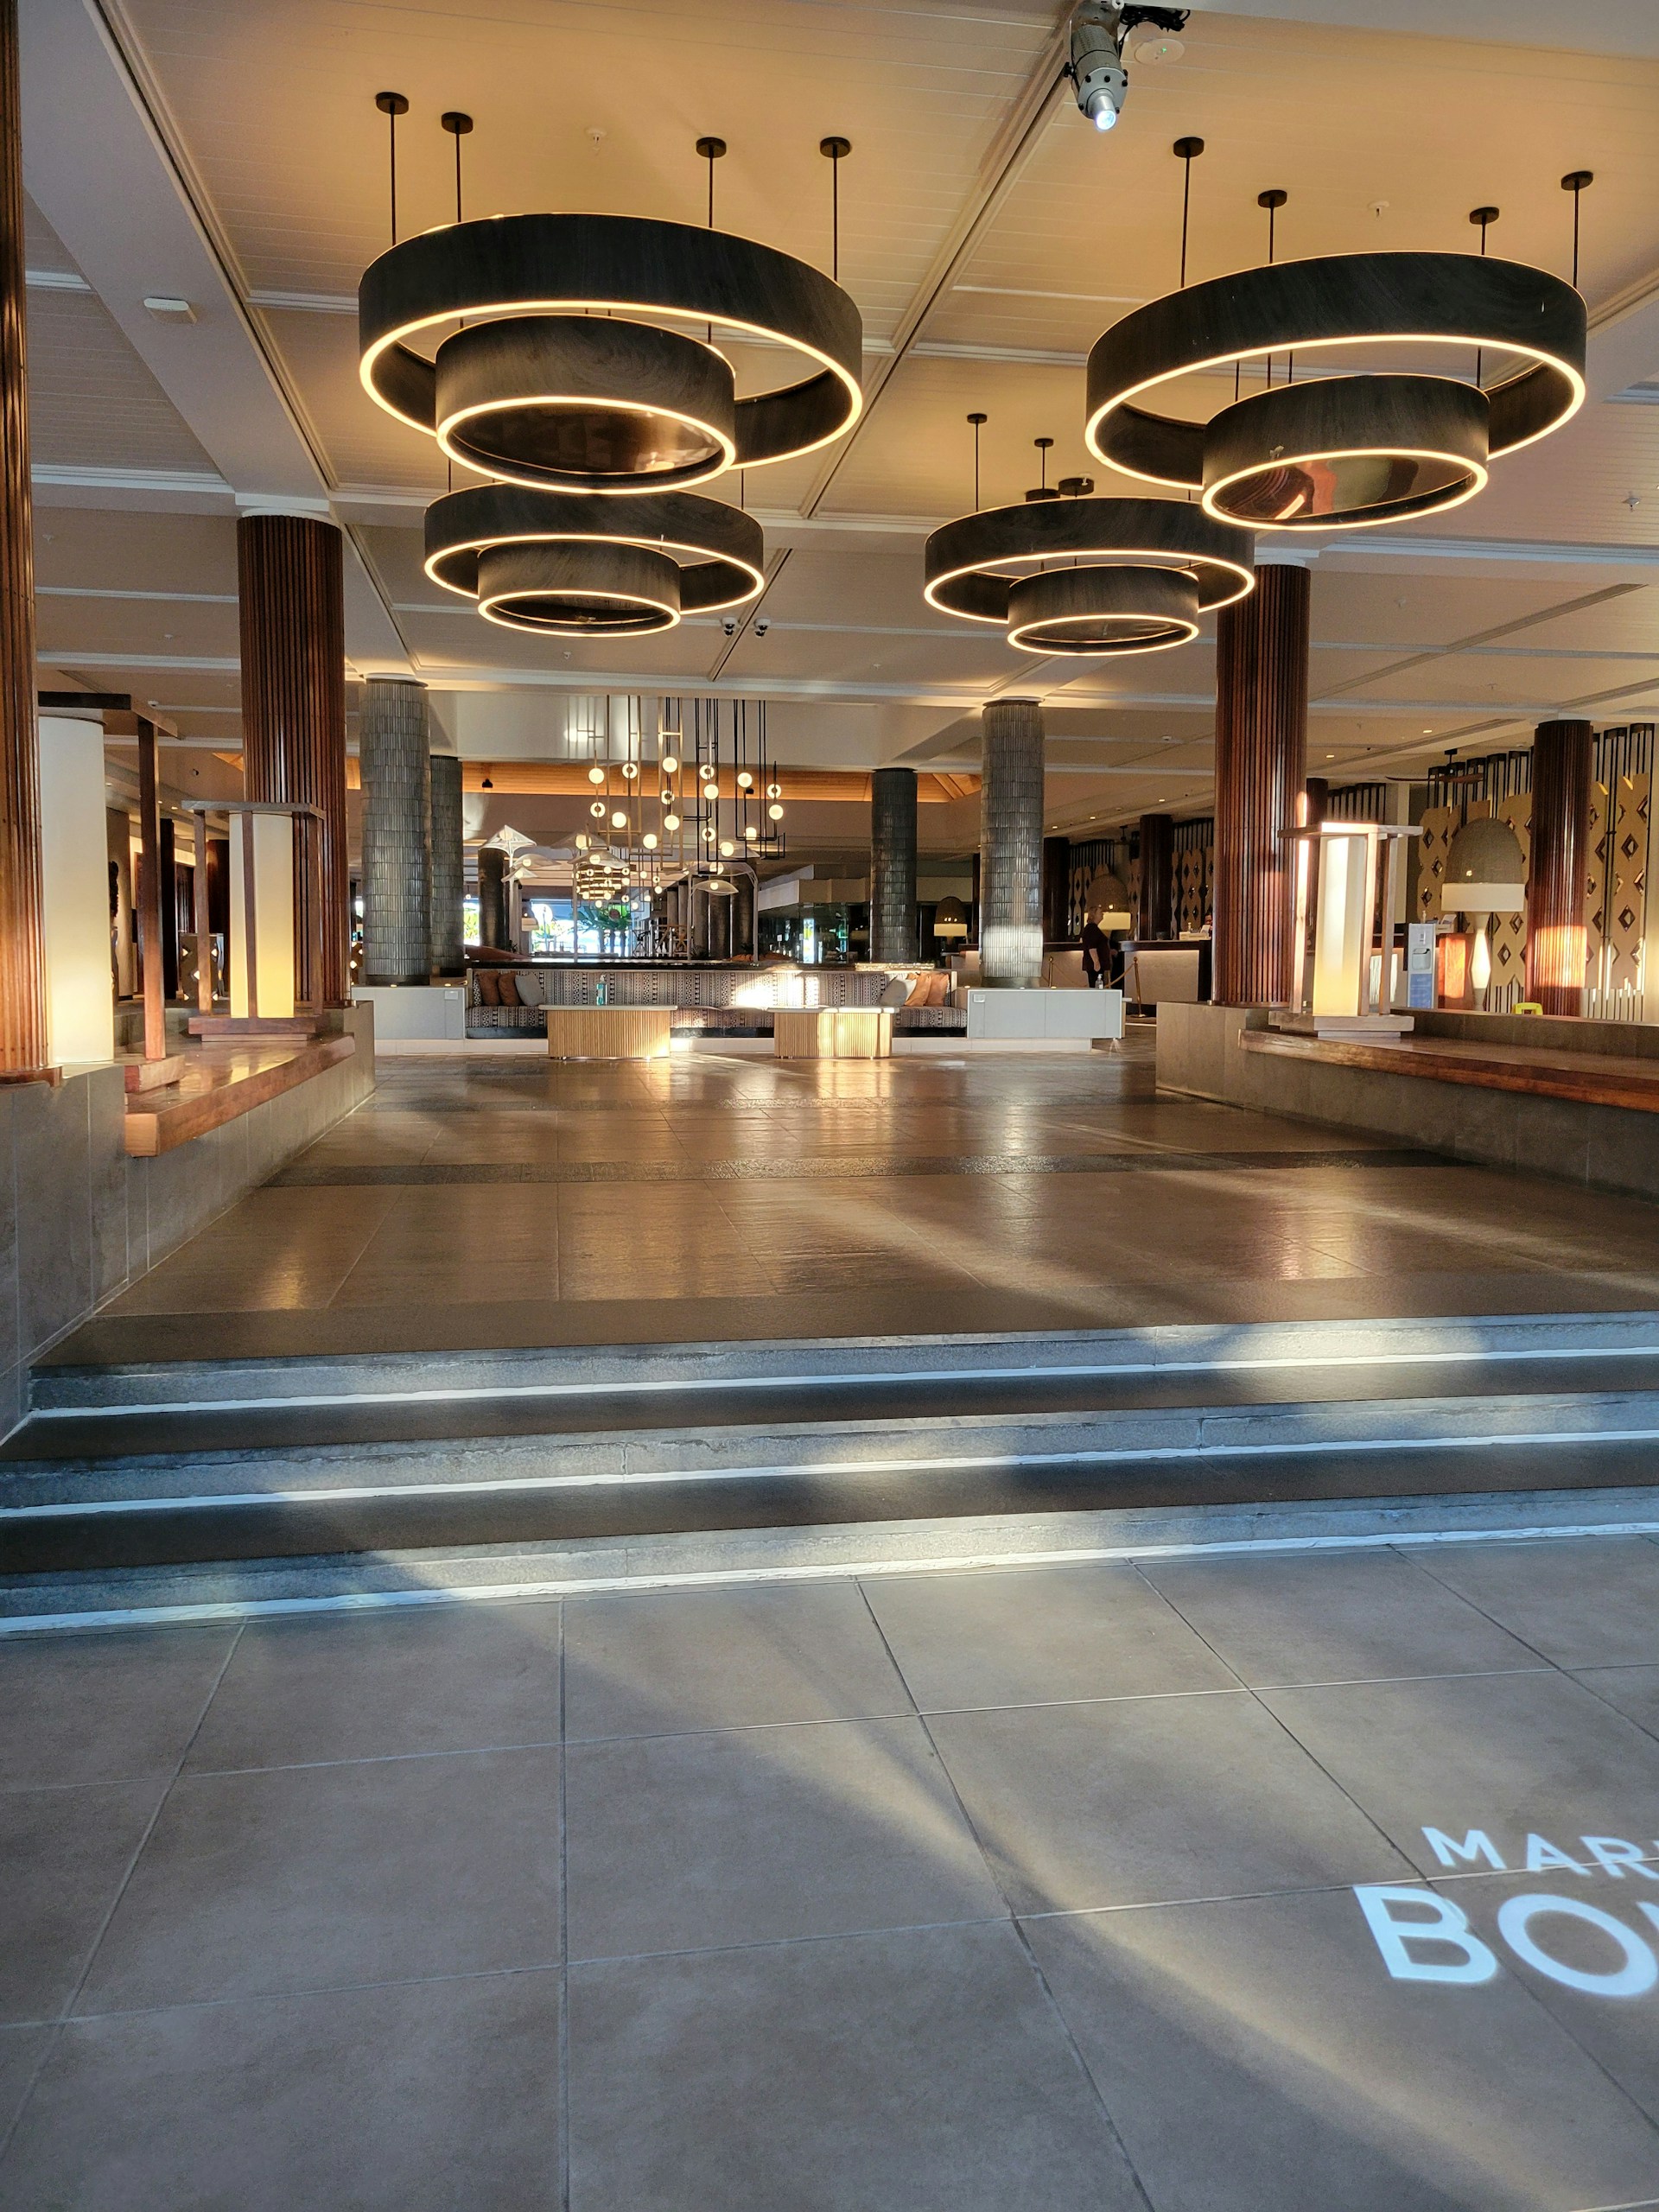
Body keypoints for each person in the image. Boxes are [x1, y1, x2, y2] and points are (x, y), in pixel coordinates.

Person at [1080, 905, 1110, 988]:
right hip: (1095, 966)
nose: (1102, 914)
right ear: (1094, 915)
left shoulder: (1093, 928)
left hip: (1097, 965)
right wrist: (1096, 962)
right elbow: (1092, 947)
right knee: (1096, 985)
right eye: (1100, 912)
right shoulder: (1091, 929)